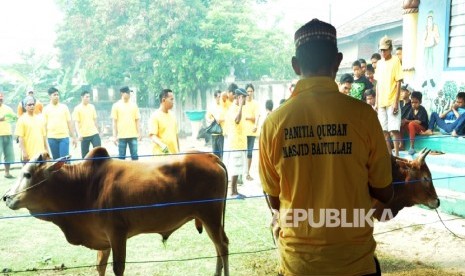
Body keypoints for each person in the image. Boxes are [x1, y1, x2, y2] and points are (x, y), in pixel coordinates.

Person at [259, 19, 393, 275]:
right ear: (338, 61)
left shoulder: (274, 123)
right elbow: (385, 193)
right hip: (355, 264)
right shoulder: (364, 116)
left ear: (296, 65)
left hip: (298, 265)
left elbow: (274, 200)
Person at [375, 35, 403, 156]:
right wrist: (376, 102)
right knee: (384, 131)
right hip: (381, 101)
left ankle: (396, 154)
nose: (382, 52)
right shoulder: (379, 64)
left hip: (392, 100)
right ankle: (389, 156)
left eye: (385, 49)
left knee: (394, 130)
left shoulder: (396, 60)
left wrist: (396, 101)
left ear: (390, 49)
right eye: (381, 50)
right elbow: (377, 84)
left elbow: (398, 82)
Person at [225, 88, 248, 199]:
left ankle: (236, 191)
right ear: (239, 97)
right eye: (243, 98)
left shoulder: (239, 109)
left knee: (238, 168)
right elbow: (237, 120)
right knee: (235, 168)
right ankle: (232, 192)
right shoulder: (233, 109)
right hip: (235, 144)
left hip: (240, 143)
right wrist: (239, 106)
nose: (245, 101)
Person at [43, 87, 77, 159]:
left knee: (64, 160)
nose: (56, 96)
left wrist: (74, 137)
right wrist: (44, 140)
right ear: (50, 96)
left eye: (57, 95)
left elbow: (69, 123)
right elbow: (44, 126)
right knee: (56, 162)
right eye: (54, 95)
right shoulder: (46, 109)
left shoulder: (64, 107)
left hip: (64, 137)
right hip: (51, 138)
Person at [14, 95, 49, 163]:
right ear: (25, 106)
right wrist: (24, 152)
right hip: (29, 156)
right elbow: (21, 138)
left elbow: (44, 138)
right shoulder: (21, 119)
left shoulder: (40, 119)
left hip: (41, 155)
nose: (32, 106)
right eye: (29, 105)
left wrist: (47, 151)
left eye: (33, 104)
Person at [111, 86, 141, 160]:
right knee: (121, 158)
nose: (129, 94)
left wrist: (139, 133)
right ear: (122, 93)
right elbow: (114, 122)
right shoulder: (116, 106)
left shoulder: (134, 105)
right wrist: (114, 136)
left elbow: (137, 120)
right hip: (121, 136)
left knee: (134, 156)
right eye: (127, 93)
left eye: (129, 93)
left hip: (133, 135)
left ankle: (135, 171)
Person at [148, 88, 179, 155]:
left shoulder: (173, 116)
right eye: (171, 99)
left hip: (174, 155)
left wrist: (178, 152)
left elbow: (176, 136)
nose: (173, 102)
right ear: (163, 100)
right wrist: (162, 145)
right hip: (160, 157)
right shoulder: (155, 116)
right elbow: (153, 136)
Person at [72, 90, 101, 158]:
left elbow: (95, 120)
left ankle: (98, 167)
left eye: (89, 97)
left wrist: (98, 131)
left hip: (94, 133)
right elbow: (76, 123)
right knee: (85, 156)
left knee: (99, 151)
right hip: (84, 135)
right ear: (82, 97)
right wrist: (79, 134)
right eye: (87, 97)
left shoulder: (92, 107)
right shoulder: (77, 108)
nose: (88, 98)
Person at [243, 83, 260, 181]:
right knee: (242, 153)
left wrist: (255, 124)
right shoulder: (243, 103)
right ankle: (241, 174)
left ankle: (247, 173)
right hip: (243, 133)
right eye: (248, 91)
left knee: (249, 152)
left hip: (252, 132)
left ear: (253, 92)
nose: (249, 93)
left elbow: (257, 116)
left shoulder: (256, 103)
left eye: (251, 91)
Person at [206, 90, 227, 159]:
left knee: (222, 154)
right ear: (215, 97)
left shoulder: (224, 105)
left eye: (221, 96)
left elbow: (227, 117)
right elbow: (207, 117)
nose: (220, 98)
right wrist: (211, 120)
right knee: (215, 155)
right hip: (214, 134)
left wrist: (220, 119)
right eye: (219, 96)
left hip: (222, 134)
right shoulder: (212, 106)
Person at [0, 91, 16, 178]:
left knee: (9, 154)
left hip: (8, 134)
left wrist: (13, 117)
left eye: (1, 99)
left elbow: (14, 118)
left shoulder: (8, 108)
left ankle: (7, 172)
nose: (0, 101)